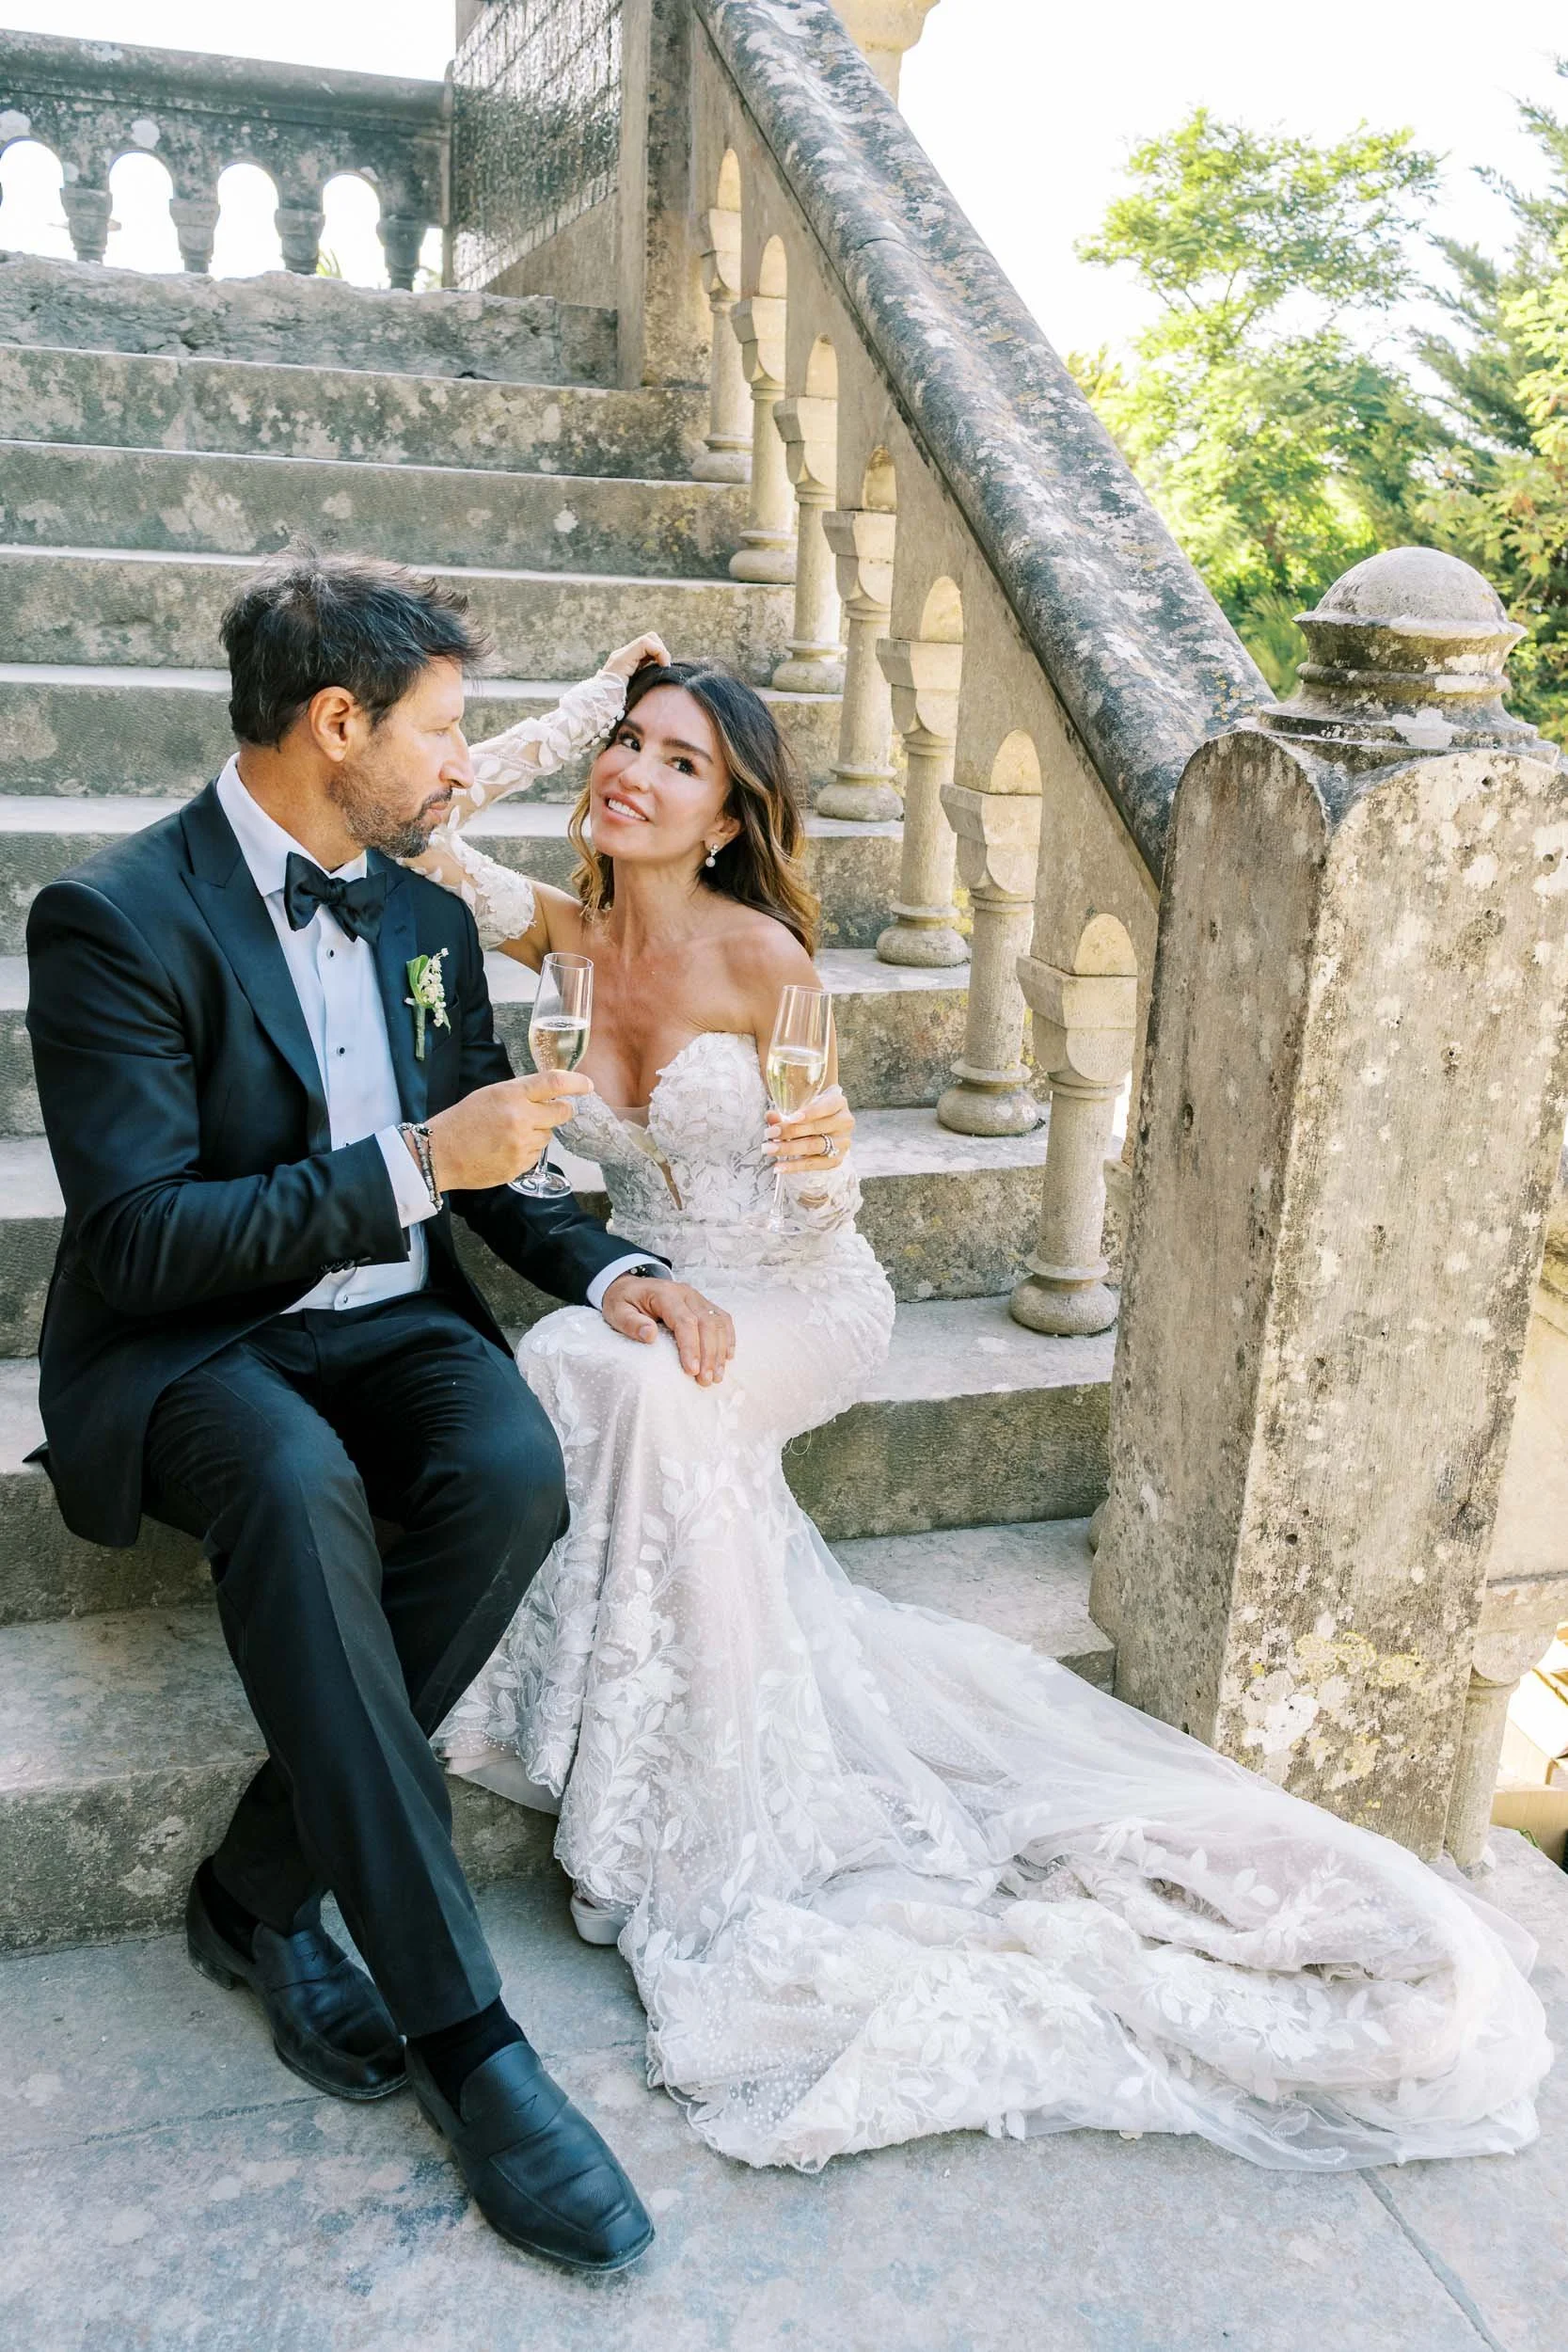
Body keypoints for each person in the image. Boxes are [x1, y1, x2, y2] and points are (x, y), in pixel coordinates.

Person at [414, 646, 1553, 2174]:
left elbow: (826, 1201)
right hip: (661, 1284)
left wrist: (816, 1148)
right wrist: (560, 720)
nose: (633, 772)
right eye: (627, 746)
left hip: (802, 1294)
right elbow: (418, 827)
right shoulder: (558, 941)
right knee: (582, 1356)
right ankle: (649, 1742)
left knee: (632, 1383)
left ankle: (704, 1812)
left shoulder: (771, 967)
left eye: (680, 762)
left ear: (730, 815)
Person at [23, 552, 736, 2272]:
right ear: (337, 724)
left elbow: (496, 1156)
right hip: (201, 1342)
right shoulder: (117, 914)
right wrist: (413, 1163)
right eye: (441, 731)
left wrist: (598, 1262)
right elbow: (139, 1236)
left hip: (391, 1319)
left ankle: (255, 1887)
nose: (459, 766)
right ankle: (469, 2043)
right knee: (293, 1485)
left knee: (508, 1465)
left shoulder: (417, 913)